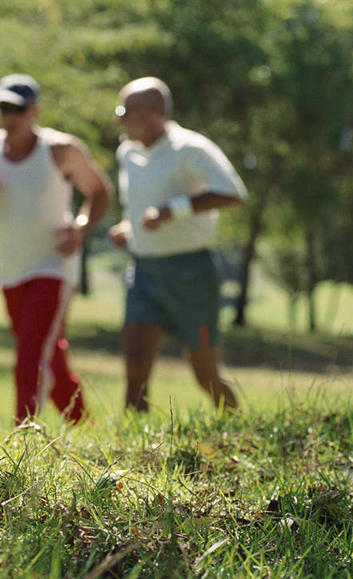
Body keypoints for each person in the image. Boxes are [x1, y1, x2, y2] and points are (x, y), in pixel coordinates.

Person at [0, 73, 112, 424]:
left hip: (54, 265)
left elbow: (100, 191)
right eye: (3, 108)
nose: (9, 116)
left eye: (17, 109)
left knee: (30, 353)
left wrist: (80, 230)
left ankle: (22, 438)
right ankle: (84, 427)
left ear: (35, 110)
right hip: (11, 269)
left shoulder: (60, 150)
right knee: (48, 355)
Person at [108, 77, 246, 413]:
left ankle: (237, 430)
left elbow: (233, 194)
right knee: (135, 368)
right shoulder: (127, 153)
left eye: (126, 111)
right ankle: (133, 455)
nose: (119, 118)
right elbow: (141, 206)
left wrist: (173, 211)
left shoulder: (190, 148)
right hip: (144, 271)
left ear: (154, 112)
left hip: (191, 275)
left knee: (205, 374)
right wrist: (129, 227)